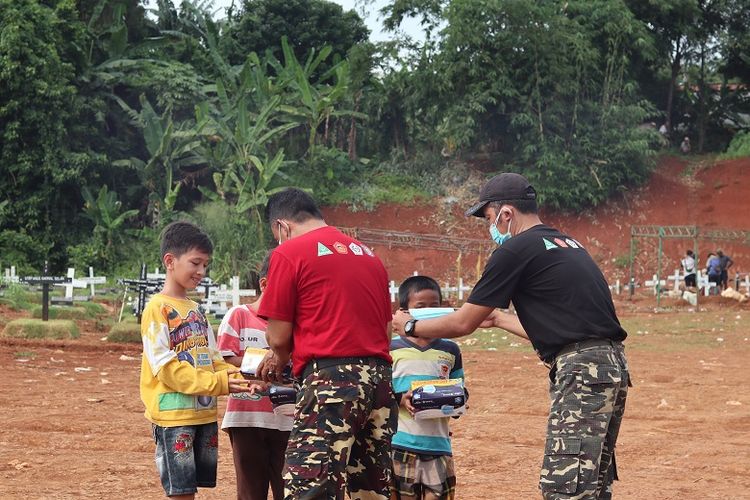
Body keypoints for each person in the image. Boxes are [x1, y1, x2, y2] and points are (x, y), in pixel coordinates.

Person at [392, 173, 630, 500]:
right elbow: (564, 330)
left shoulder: (516, 249)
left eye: (489, 219)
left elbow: (462, 322)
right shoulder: (566, 244)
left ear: (506, 214)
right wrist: (502, 319)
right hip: (610, 366)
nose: (490, 229)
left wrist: (408, 326)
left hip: (582, 373)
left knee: (565, 487)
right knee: (592, 483)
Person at [255, 188, 398, 499]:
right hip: (380, 383)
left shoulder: (288, 253)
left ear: (282, 226)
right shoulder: (368, 255)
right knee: (372, 488)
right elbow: (386, 333)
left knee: (311, 485)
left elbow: (278, 337)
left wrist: (279, 357)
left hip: (331, 383)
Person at [139, 221, 252, 499]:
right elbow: (166, 369)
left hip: (203, 413)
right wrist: (218, 383)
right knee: (182, 493)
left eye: (205, 265)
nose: (201, 272)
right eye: (196, 263)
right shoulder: (157, 309)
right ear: (170, 261)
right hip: (173, 416)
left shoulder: (197, 311)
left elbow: (213, 360)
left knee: (192, 489)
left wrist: (243, 379)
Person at [217, 250, 293, 500]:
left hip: (286, 420)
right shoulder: (239, 315)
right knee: (250, 492)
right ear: (264, 284)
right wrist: (266, 364)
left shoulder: (295, 327)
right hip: (246, 419)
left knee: (290, 489)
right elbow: (225, 358)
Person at [391, 276, 464, 500]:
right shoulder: (390, 348)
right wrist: (401, 398)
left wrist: (456, 400)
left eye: (434, 306)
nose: (429, 311)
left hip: (439, 446)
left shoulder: (450, 349)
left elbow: (460, 390)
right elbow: (379, 394)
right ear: (404, 312)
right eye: (421, 307)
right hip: (399, 445)